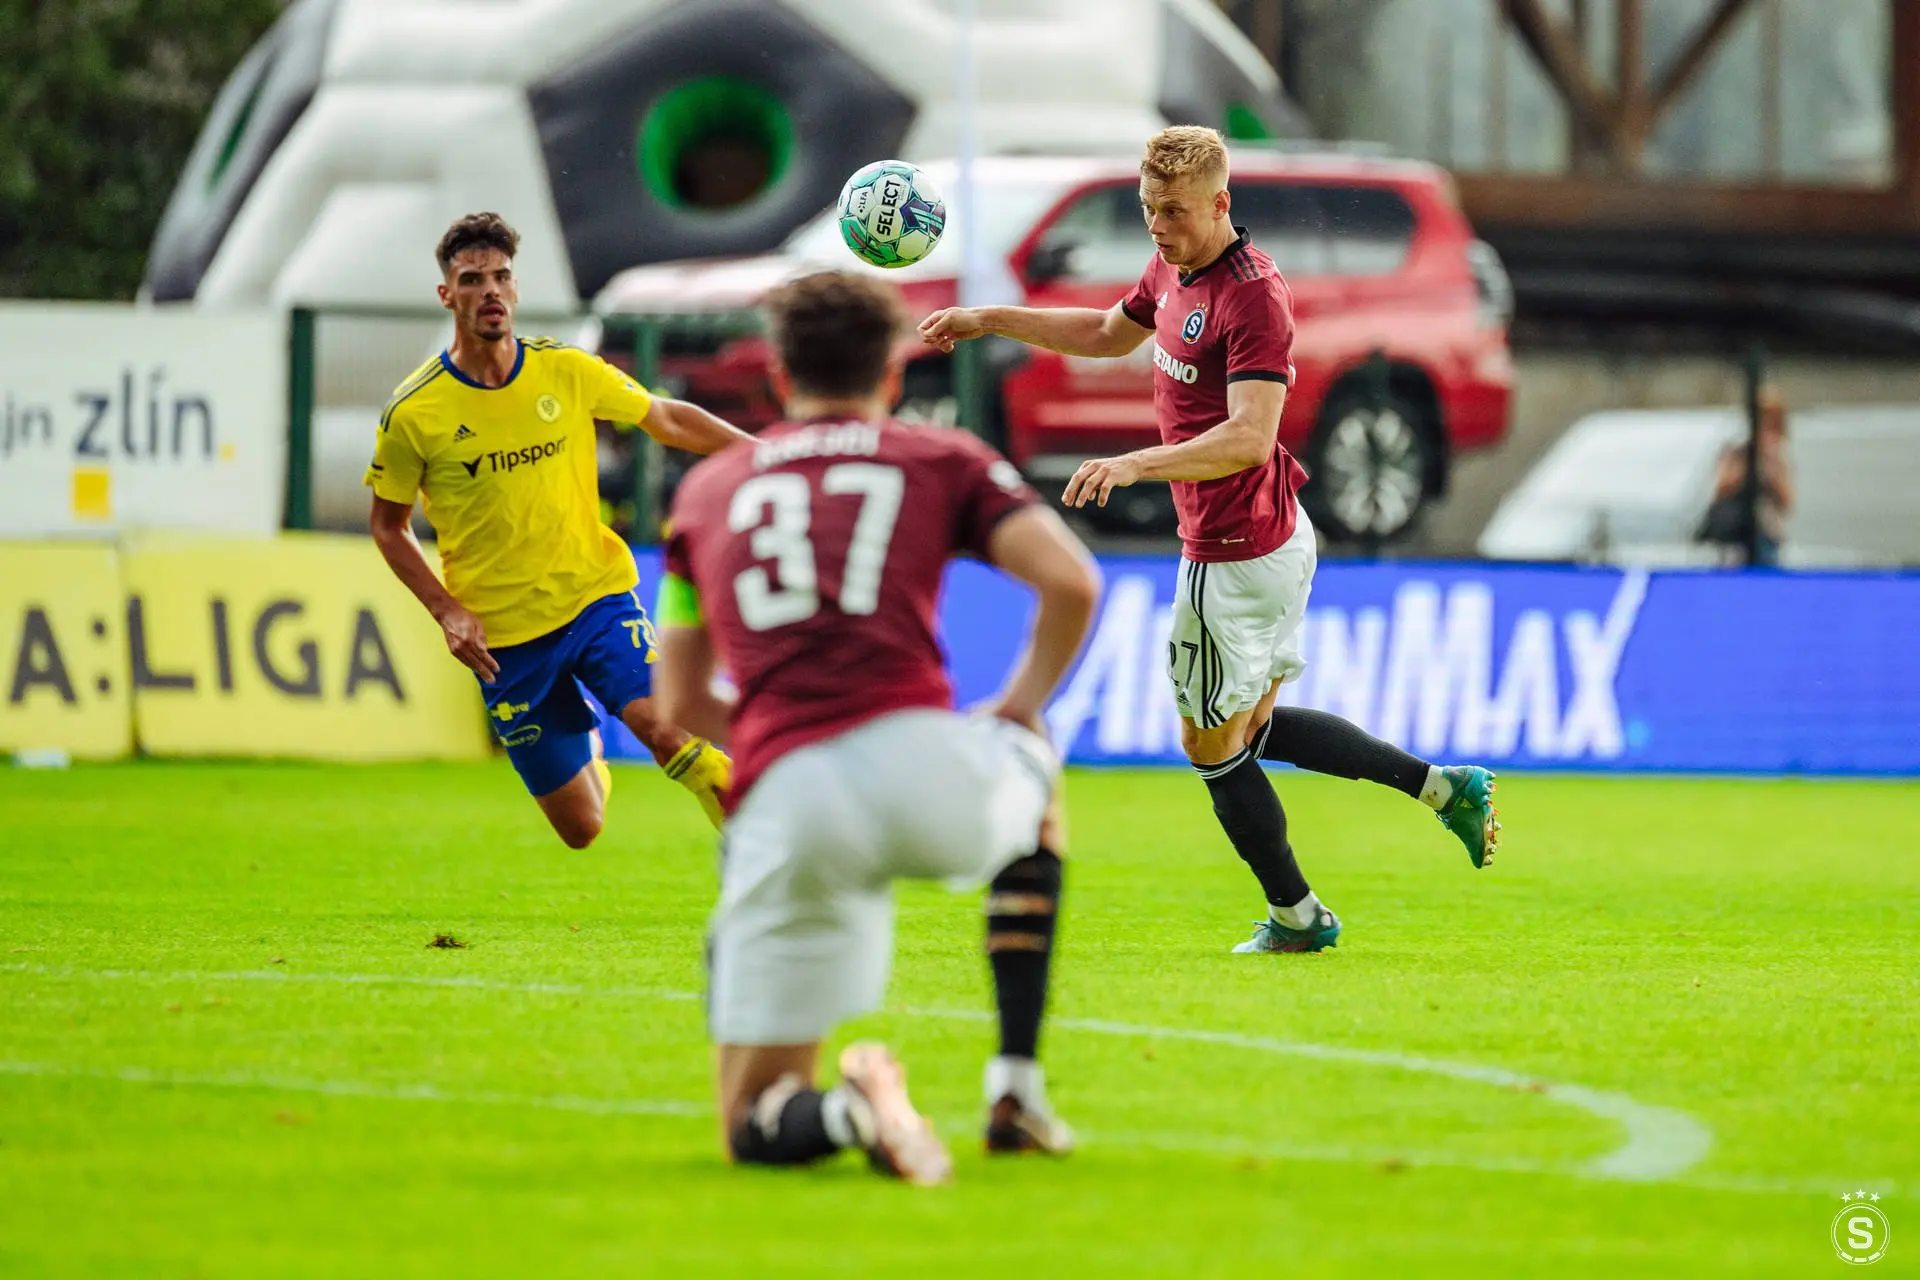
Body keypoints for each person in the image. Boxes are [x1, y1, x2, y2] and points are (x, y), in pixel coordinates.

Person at [920, 127, 1500, 955]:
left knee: (1208, 744)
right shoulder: (1174, 266)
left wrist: (1134, 464)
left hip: (1234, 548)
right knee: (1249, 731)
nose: (1159, 227)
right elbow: (1107, 334)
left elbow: (1250, 437)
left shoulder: (1253, 297)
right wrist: (989, 319)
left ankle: (1298, 916)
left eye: (1176, 212)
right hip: (1271, 531)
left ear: (1221, 203)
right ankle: (1443, 789)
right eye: (1149, 210)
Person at [654, 270, 1099, 1185]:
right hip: (924, 766)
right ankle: (1016, 1088)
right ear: (893, 374)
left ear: (777, 376)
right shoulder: (942, 458)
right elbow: (1070, 582)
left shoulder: (703, 494)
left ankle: (854, 1108)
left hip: (789, 802)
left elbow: (681, 705)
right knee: (1033, 769)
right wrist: (1018, 706)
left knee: (751, 1121)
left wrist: (779, 729)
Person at [366, 212, 747, 846]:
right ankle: (586, 736)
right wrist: (446, 611)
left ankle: (762, 846)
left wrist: (768, 454)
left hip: (594, 598)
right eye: (472, 280)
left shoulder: (566, 370)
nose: (490, 290)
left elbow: (666, 419)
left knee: (665, 730)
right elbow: (388, 527)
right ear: (447, 295)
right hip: (504, 639)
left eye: (501, 276)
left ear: (515, 289)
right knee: (581, 828)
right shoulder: (413, 412)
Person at [1697, 385, 1794, 566]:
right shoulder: (1736, 448)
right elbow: (1721, 488)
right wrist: (1746, 466)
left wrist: (1769, 466)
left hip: (1766, 533)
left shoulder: (1778, 455)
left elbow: (1786, 501)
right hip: (1734, 534)